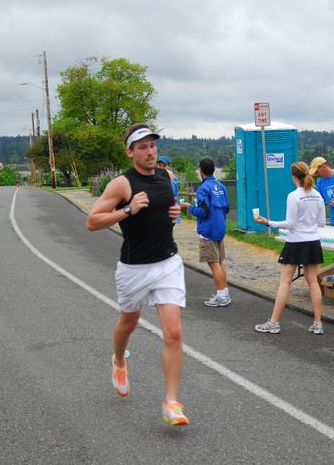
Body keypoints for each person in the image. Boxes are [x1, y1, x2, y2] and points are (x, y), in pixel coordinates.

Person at [86, 123, 189, 426]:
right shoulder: (122, 184)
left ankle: (171, 402)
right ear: (130, 152)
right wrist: (128, 211)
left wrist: (176, 213)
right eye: (142, 147)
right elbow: (92, 222)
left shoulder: (166, 176)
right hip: (134, 268)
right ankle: (119, 360)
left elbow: (167, 209)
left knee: (173, 332)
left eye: (152, 145)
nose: (149, 151)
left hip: (167, 263)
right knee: (128, 323)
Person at [252, 161, 326, 335]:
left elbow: (290, 223)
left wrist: (268, 222)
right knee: (313, 281)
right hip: (313, 240)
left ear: (293, 176)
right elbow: (321, 222)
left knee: (285, 281)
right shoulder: (317, 195)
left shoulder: (293, 196)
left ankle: (274, 322)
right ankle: (317, 323)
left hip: (296, 241)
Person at [181, 158, 231, 307]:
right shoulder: (221, 186)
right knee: (220, 262)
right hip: (220, 227)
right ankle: (225, 293)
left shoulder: (203, 189)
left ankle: (221, 296)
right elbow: (227, 208)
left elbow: (203, 211)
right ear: (214, 170)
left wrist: (189, 206)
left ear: (201, 171)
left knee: (213, 263)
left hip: (208, 230)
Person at [157, 155, 181, 224]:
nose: (161, 168)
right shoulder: (162, 178)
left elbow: (167, 196)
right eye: (159, 165)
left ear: (169, 166)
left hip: (169, 215)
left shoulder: (170, 181)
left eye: (164, 166)